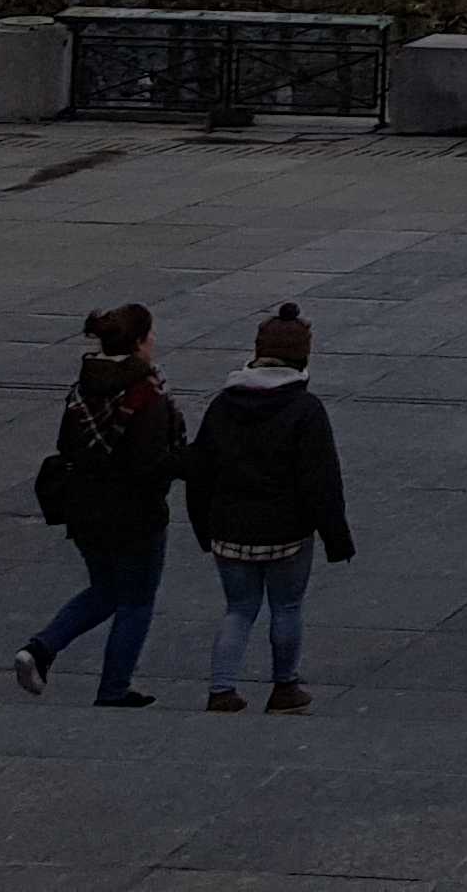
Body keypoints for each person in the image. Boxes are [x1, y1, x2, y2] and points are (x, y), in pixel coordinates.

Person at [14, 302, 186, 707]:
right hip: (134, 514)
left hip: (85, 509)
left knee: (105, 588)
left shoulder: (84, 385)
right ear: (142, 342)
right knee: (137, 600)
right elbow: (151, 464)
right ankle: (113, 688)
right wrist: (191, 463)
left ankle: (40, 650)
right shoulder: (147, 392)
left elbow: (67, 444)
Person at [186, 303, 355, 713]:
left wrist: (202, 528)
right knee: (287, 606)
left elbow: (200, 471)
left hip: (228, 528)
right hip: (286, 531)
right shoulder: (305, 410)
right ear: (303, 357)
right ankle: (284, 688)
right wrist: (337, 538)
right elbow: (321, 482)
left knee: (239, 609)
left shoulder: (223, 404)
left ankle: (221, 689)